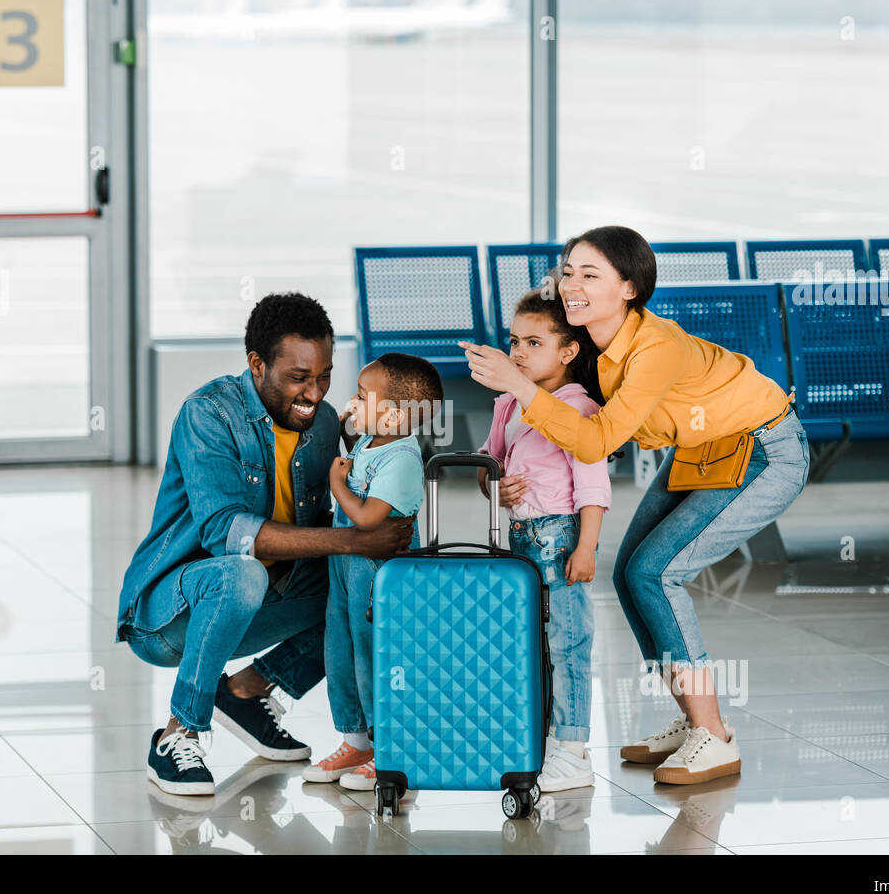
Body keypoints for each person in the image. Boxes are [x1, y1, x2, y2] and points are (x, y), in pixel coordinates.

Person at [461, 225, 810, 786]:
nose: (572, 284)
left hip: (764, 449)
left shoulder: (656, 348)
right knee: (629, 575)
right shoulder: (593, 350)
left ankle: (714, 734)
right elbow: (556, 426)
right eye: (568, 271)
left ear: (628, 287)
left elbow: (595, 441)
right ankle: (691, 718)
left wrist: (519, 387)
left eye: (590, 274)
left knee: (657, 571)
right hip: (702, 450)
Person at [117, 293, 415, 796]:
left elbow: (360, 494)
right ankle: (178, 733)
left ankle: (244, 692)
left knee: (361, 584)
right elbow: (227, 534)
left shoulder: (320, 424)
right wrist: (351, 538)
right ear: (257, 365)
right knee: (245, 571)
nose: (315, 392)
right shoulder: (208, 414)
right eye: (299, 378)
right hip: (171, 616)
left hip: (263, 604)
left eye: (324, 376)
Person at [474, 288, 611, 792]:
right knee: (530, 643)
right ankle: (547, 737)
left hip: (560, 539)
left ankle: (573, 751)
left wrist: (587, 546)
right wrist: (496, 485)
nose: (518, 353)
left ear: (568, 351)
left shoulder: (579, 409)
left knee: (570, 642)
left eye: (534, 342)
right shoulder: (508, 404)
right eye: (514, 342)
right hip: (520, 540)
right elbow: (488, 464)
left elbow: (593, 487)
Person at [302, 353, 443, 790]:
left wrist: (336, 485)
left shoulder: (402, 459)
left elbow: (367, 518)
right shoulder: (370, 440)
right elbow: (355, 441)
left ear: (395, 415)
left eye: (362, 396)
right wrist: (352, 418)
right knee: (340, 648)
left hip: (380, 574)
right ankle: (355, 739)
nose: (352, 401)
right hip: (347, 571)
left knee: (374, 656)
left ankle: (392, 748)